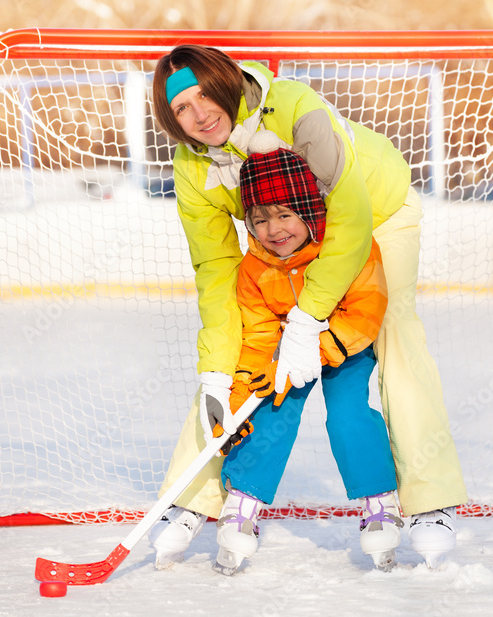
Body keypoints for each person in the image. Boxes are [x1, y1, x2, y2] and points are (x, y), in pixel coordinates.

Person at [147, 44, 467, 569]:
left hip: (374, 212)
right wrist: (215, 375)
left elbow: (351, 219)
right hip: (284, 235)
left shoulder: (295, 108)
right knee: (233, 370)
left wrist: (307, 319)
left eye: (205, 94)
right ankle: (191, 497)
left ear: (227, 84)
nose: (198, 113)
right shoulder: (191, 166)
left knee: (397, 333)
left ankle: (429, 501)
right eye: (181, 107)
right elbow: (218, 275)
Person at [208, 136, 402, 575]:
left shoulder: (347, 245)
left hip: (344, 345)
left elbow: (368, 305)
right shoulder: (253, 268)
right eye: (259, 219)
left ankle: (379, 501)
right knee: (272, 408)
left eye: (284, 214)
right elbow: (257, 335)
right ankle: (242, 502)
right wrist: (240, 397)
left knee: (349, 412)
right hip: (291, 352)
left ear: (309, 209)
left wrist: (327, 345)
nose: (273, 229)